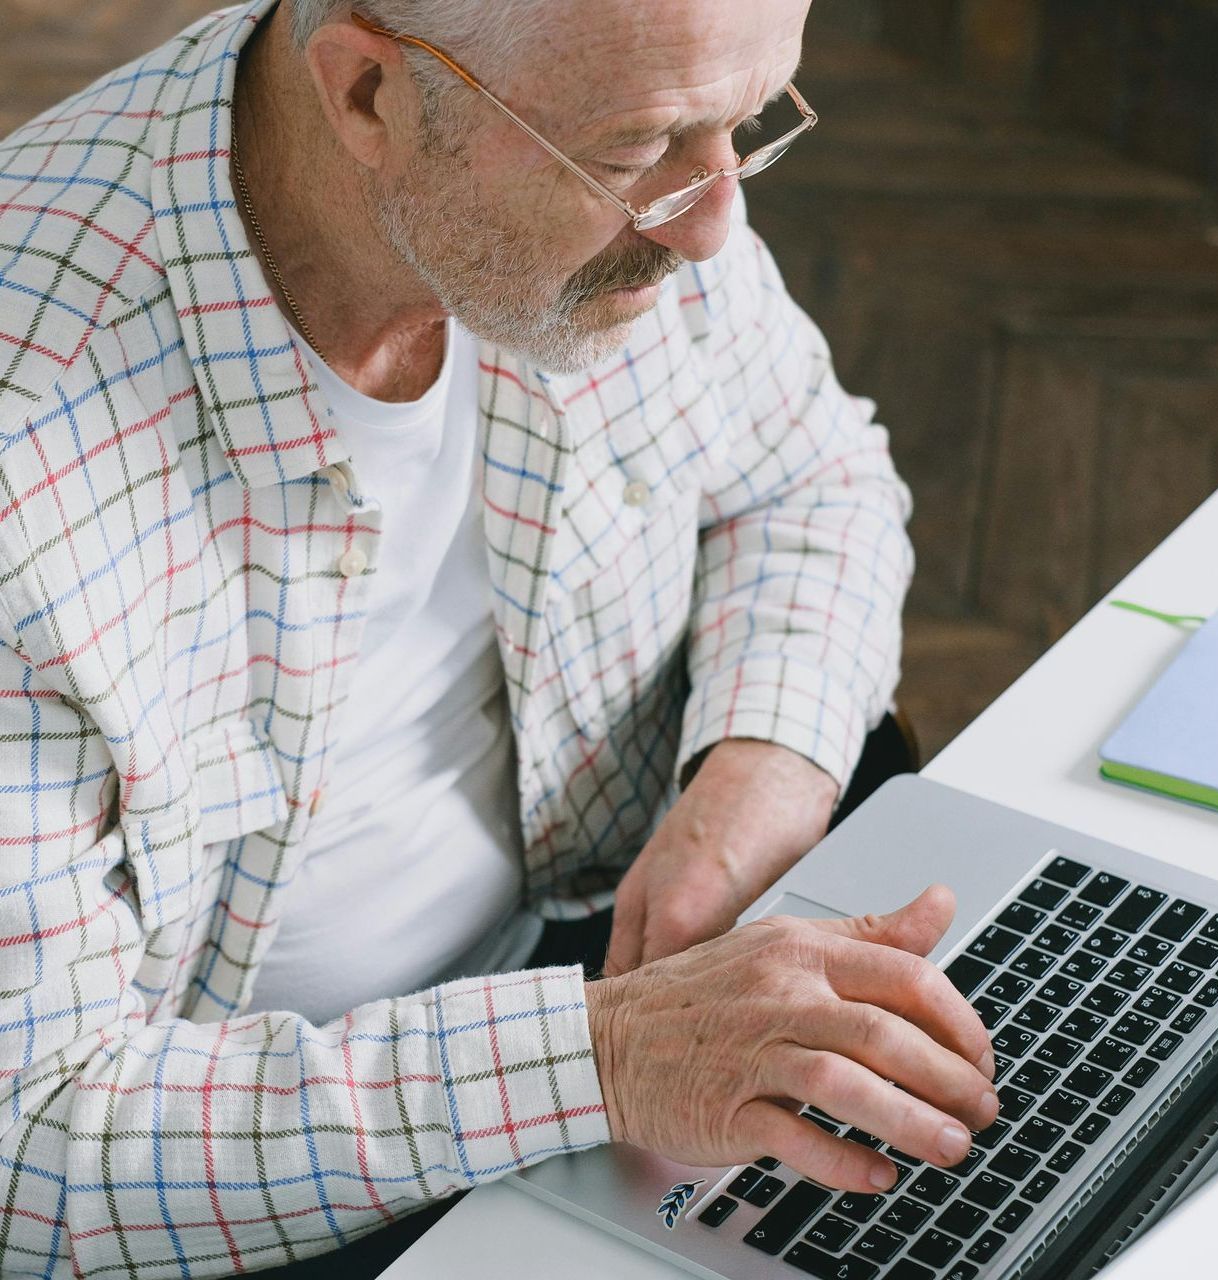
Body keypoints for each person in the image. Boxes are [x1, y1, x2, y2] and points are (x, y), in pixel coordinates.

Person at [0, 0, 995, 1273]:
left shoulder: (606, 164)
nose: (714, 226)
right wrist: (606, 1056)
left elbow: (810, 478)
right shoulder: (32, 465)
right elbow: (33, 1140)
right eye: (641, 152)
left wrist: (755, 777)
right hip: (249, 1186)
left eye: (745, 124)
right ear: (368, 93)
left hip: (602, 960)